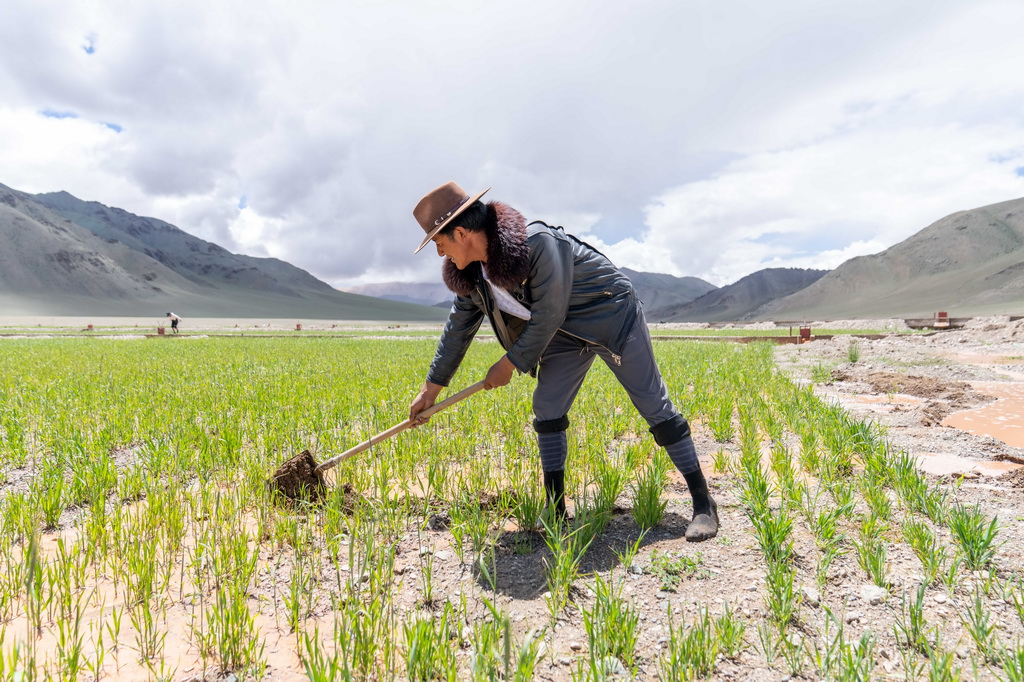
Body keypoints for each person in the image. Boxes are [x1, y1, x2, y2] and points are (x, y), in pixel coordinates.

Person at [407, 182, 719, 541]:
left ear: (460, 233)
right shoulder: (471, 275)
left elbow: (549, 312)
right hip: (564, 336)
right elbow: (457, 331)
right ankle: (555, 508)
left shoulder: (537, 244)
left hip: (612, 319)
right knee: (548, 406)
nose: (440, 253)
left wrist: (508, 364)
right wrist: (431, 390)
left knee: (653, 404)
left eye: (439, 243)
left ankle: (702, 503)